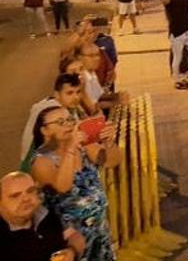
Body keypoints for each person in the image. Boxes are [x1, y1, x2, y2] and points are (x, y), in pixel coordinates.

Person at [29, 106, 119, 260]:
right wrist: (70, 148)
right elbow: (63, 187)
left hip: (99, 234)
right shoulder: (41, 160)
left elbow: (112, 161)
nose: (68, 124)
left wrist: (109, 143)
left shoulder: (84, 147)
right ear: (44, 130)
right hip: (72, 242)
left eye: (70, 119)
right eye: (60, 122)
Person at [0, 171, 85, 261]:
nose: (26, 199)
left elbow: (74, 236)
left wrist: (71, 251)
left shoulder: (45, 213)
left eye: (30, 191)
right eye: (15, 196)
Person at [20, 73, 97, 167]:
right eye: (70, 93)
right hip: (36, 163)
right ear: (57, 94)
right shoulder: (52, 110)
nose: (76, 97)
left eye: (78, 92)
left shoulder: (69, 107)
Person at [161, 0, 188, 90]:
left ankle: (184, 76)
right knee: (178, 56)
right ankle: (177, 79)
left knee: (187, 55)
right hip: (176, 32)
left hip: (187, 30)